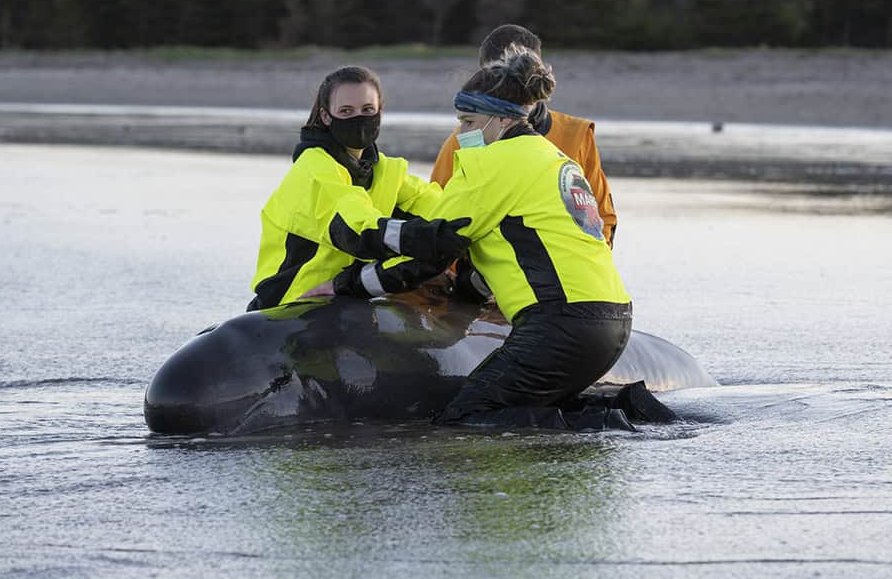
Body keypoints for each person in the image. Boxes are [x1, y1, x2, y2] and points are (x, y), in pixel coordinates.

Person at [327, 46, 633, 428]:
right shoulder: (551, 156)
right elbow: (513, 256)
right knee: (528, 402)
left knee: (469, 418)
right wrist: (466, 296)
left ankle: (612, 428)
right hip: (613, 319)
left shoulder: (491, 163)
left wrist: (349, 274)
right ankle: (628, 413)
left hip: (562, 323)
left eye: (468, 122)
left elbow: (432, 242)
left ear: (501, 119)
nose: (462, 134)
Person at [248, 66, 471, 311]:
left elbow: (445, 208)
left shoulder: (386, 172)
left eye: (367, 110)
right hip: (291, 305)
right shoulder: (313, 170)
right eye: (346, 111)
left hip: (343, 301)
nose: (359, 118)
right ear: (325, 116)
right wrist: (432, 237)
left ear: (380, 111)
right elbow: (357, 229)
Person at [429, 24, 618, 248]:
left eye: (518, 79)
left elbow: (603, 217)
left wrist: (590, 262)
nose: (511, 91)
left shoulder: (576, 135)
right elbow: (437, 218)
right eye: (499, 80)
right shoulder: (463, 141)